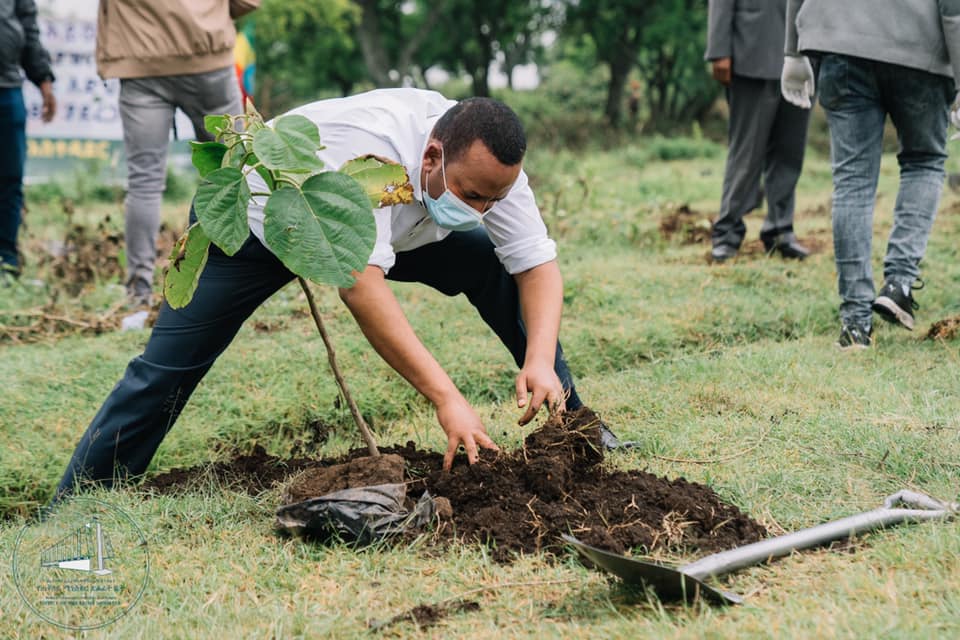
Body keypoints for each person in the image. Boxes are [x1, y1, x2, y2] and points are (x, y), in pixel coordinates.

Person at [53, 89, 622, 500]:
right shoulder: (366, 154)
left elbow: (537, 265)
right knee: (168, 368)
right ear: (431, 158)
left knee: (493, 267)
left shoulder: (493, 170)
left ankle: (573, 425)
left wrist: (540, 359)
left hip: (399, 226)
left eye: (492, 202)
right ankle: (79, 500)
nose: (481, 211)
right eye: (472, 196)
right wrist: (447, 398)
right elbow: (361, 287)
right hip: (259, 221)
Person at [783, 0, 960, 348]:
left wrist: (792, 51)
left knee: (852, 182)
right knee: (924, 161)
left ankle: (855, 324)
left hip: (840, 43)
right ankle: (899, 282)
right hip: (919, 50)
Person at [96, 0, 260, 306]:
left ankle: (139, 291)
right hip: (208, 59)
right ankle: (242, 278)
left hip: (139, 63)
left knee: (144, 182)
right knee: (235, 171)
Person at [705, 0, 813, 263]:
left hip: (806, 56)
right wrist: (719, 49)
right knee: (746, 151)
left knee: (791, 150)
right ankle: (727, 232)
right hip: (751, 48)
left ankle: (780, 229)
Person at [0, 0, 56, 280]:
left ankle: (6, 264)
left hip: (7, 88)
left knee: (10, 181)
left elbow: (28, 27)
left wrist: (43, 79)